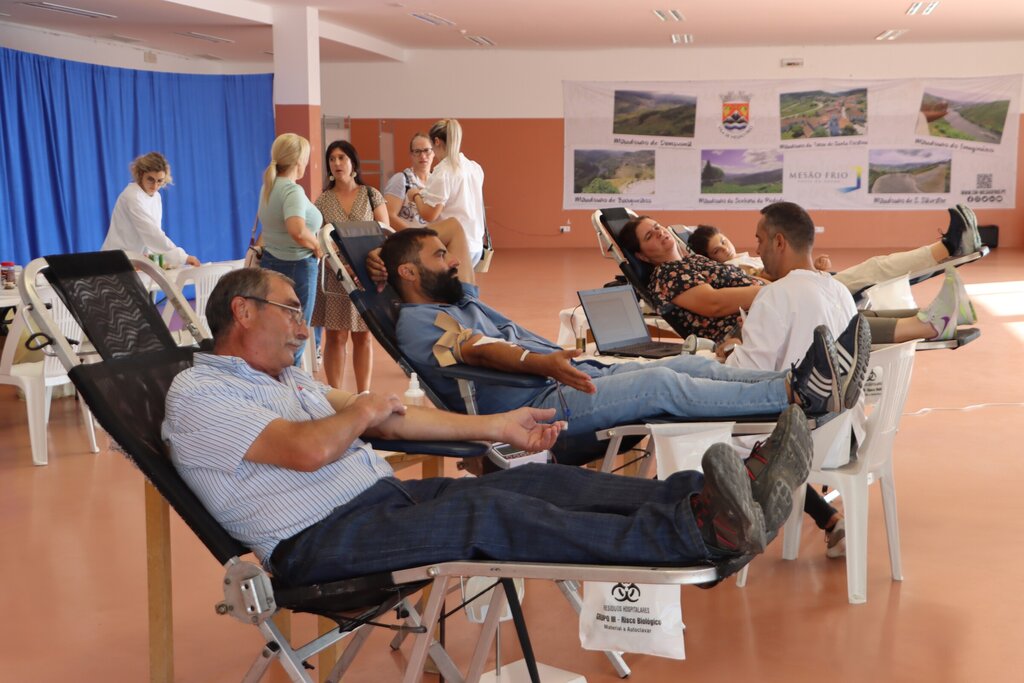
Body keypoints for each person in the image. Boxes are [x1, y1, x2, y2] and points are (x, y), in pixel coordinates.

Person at [162, 266, 816, 585]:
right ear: (243, 312)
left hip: (379, 501)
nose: (305, 326)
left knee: (537, 485)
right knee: (490, 516)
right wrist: (361, 406)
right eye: (291, 310)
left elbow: (394, 418)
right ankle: (701, 533)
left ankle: (708, 501)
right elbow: (308, 450)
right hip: (318, 541)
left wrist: (500, 427)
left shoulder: (286, 379)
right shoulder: (199, 394)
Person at [382, 228, 867, 466]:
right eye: (437, 257)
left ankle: (798, 382)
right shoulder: (417, 323)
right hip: (534, 407)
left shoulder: (456, 298)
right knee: (660, 383)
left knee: (683, 363)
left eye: (446, 255)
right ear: (408, 272)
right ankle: (799, 397)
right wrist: (543, 360)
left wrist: (383, 251)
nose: (451, 261)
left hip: (563, 378)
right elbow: (479, 351)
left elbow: (453, 235)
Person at [621, 215, 977, 346]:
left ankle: (931, 318)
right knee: (864, 281)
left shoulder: (693, 260)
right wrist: (782, 286)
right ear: (641, 256)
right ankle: (936, 298)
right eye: (650, 237)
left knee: (851, 302)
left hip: (773, 302)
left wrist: (779, 282)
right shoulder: (667, 277)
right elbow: (712, 304)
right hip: (750, 327)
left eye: (658, 227)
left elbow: (745, 282)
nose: (660, 234)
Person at [687, 204, 983, 294]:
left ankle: (949, 248)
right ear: (707, 259)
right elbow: (765, 284)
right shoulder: (726, 272)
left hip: (807, 283)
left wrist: (813, 269)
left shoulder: (744, 257)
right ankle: (948, 247)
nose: (725, 250)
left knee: (878, 269)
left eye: (723, 242)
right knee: (876, 272)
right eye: (717, 251)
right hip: (802, 292)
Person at [312, 141, 388, 391]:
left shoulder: (371, 194)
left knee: (363, 335)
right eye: (332, 159)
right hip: (335, 275)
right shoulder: (323, 200)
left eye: (341, 158)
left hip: (364, 273)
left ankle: (363, 393)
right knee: (335, 335)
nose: (336, 163)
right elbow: (317, 237)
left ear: (353, 162)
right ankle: (335, 394)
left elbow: (384, 233)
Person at [257, 133, 323, 367]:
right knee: (296, 332)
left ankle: (274, 384)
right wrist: (316, 245)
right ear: (299, 160)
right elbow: (296, 230)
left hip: (271, 263)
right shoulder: (292, 190)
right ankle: (289, 387)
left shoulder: (269, 187)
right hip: (298, 265)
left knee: (275, 331)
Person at [383, 132, 477, 283]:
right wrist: (415, 236)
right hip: (410, 244)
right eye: (417, 151)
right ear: (411, 155)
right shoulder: (402, 180)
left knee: (458, 266)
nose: (423, 156)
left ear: (434, 152)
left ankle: (465, 298)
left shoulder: (439, 179)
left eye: (427, 150)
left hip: (433, 245)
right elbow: (388, 216)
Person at [404, 119, 487, 270]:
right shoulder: (474, 167)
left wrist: (415, 195)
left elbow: (430, 214)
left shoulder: (443, 171)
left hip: (455, 245)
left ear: (436, 141)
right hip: (475, 244)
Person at [102, 152, 200, 268]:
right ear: (140, 174)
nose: (155, 186)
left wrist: (163, 261)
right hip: (115, 263)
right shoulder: (133, 196)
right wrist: (183, 257)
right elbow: (151, 234)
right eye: (150, 179)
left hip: (133, 262)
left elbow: (150, 240)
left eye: (160, 181)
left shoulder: (156, 197)